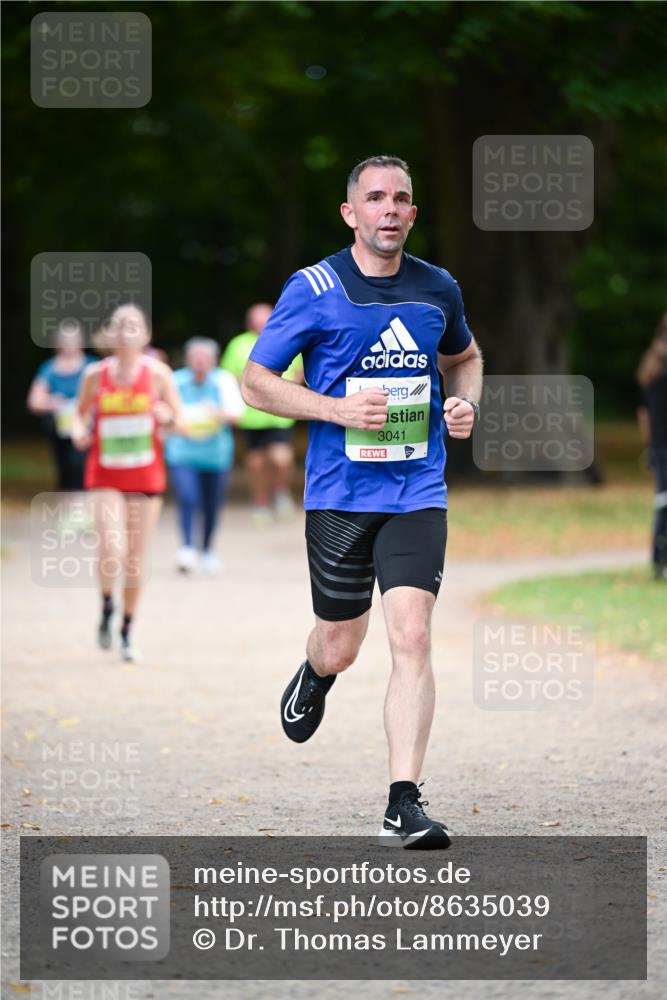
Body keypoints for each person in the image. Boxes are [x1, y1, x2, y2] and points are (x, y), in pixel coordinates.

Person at [242, 155, 483, 849]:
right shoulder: (314, 287)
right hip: (339, 494)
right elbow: (256, 383)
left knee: (411, 635)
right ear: (350, 213)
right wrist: (334, 409)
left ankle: (402, 803)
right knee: (343, 643)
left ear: (412, 213)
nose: (388, 209)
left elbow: (465, 357)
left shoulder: (437, 287)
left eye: (400, 199)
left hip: (416, 489)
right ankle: (316, 670)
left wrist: (464, 401)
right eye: (374, 198)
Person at [71, 304, 182, 662]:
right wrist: (78, 433)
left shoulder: (159, 375)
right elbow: (79, 415)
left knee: (135, 559)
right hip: (104, 474)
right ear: (110, 334)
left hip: (145, 476)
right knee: (112, 548)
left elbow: (181, 422)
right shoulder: (94, 375)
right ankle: (106, 605)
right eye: (119, 325)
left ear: (145, 335)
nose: (126, 331)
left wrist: (166, 417)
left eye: (133, 325)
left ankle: (127, 627)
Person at [165, 337, 244, 574]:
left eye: (204, 358)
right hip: (182, 452)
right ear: (187, 360)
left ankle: (208, 550)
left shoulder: (223, 380)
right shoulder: (175, 381)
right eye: (195, 357)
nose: (199, 362)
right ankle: (187, 548)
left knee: (212, 505)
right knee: (188, 497)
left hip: (216, 456)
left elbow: (236, 415)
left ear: (214, 360)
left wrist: (216, 412)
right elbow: (164, 411)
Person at [221, 304, 303, 524]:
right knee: (256, 464)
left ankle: (280, 490)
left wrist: (284, 392)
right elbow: (229, 376)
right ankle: (261, 501)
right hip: (252, 414)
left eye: (264, 319)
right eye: (256, 319)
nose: (260, 323)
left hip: (280, 413)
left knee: (281, 458)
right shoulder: (238, 344)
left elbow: (298, 371)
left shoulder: (285, 336)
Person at [27, 320, 96, 490]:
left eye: (73, 339)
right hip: (60, 432)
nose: (69, 344)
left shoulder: (92, 366)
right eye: (65, 340)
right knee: (66, 470)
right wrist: (53, 403)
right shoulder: (50, 368)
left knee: (82, 467)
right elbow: (34, 401)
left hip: (88, 427)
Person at [637, 313, 667, 580]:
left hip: (658, 446)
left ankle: (659, 560)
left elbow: (643, 414)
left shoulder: (652, 364)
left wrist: (650, 446)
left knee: (662, 503)